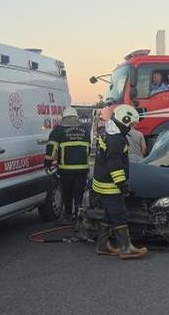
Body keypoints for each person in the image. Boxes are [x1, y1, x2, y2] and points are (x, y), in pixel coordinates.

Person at [92, 105, 147, 259]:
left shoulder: (110, 133)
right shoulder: (116, 140)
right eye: (131, 124)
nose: (132, 127)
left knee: (109, 214)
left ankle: (102, 246)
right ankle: (125, 248)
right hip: (110, 186)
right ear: (125, 120)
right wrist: (122, 185)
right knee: (119, 214)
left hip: (102, 183)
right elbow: (114, 165)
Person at [45, 107, 91, 222]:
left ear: (64, 117)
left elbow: (51, 149)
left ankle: (68, 215)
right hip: (82, 168)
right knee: (79, 193)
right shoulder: (85, 130)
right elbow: (88, 149)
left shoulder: (58, 130)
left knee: (67, 193)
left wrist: (48, 163)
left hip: (66, 169)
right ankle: (79, 218)